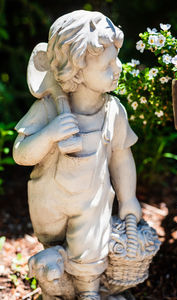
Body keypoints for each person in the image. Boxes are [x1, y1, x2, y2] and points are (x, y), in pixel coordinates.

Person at [13, 10, 142, 300]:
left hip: (91, 201)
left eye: (116, 58)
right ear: (77, 70)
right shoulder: (48, 109)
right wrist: (49, 134)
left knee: (89, 250)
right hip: (50, 201)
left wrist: (128, 197)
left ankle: (88, 291)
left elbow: (121, 157)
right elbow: (21, 154)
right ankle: (54, 282)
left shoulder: (113, 111)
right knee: (53, 246)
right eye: (108, 63)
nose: (118, 67)